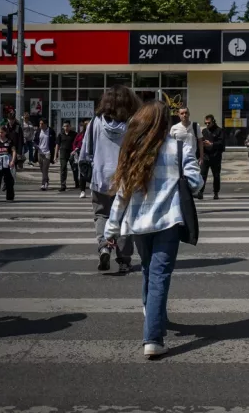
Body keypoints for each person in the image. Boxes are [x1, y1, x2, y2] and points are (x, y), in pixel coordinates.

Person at [105, 101, 203, 359]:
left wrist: (111, 228)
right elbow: (196, 183)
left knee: (149, 269)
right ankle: (153, 338)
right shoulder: (179, 147)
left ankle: (153, 314)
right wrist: (186, 158)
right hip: (168, 222)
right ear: (164, 123)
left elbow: (122, 194)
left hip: (139, 224)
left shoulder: (135, 150)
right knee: (160, 275)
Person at [80, 85, 141, 273]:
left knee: (101, 215)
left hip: (100, 178)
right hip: (124, 179)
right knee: (123, 218)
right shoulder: (133, 123)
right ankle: (123, 259)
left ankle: (105, 247)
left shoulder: (95, 122)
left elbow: (85, 151)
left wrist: (86, 170)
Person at [200, 114, 224, 200]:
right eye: (205, 123)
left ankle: (216, 192)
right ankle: (200, 192)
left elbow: (222, 145)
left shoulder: (219, 131)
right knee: (203, 175)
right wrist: (200, 155)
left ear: (213, 122)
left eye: (209, 123)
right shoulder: (204, 131)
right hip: (206, 156)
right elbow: (200, 143)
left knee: (216, 175)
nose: (207, 125)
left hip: (215, 157)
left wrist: (212, 144)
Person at [0, 126, 17, 204]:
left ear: (5, 133)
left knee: (9, 180)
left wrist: (12, 161)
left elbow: (14, 151)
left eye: (2, 132)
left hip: (7, 162)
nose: (0, 134)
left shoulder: (9, 141)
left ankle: (10, 196)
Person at [54, 122, 79, 192]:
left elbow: (78, 143)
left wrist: (76, 151)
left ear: (70, 126)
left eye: (67, 126)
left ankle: (77, 182)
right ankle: (63, 185)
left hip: (72, 153)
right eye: (64, 126)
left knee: (74, 168)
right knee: (63, 168)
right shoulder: (60, 134)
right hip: (63, 153)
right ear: (63, 127)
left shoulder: (74, 134)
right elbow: (57, 145)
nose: (66, 128)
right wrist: (55, 155)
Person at [33, 118, 56, 191]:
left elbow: (54, 142)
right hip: (40, 152)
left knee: (45, 168)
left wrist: (54, 154)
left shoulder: (51, 131)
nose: (41, 125)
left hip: (47, 152)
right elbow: (35, 140)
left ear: (46, 124)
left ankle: (44, 183)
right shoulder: (38, 131)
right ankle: (46, 179)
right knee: (42, 168)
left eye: (42, 124)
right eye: (40, 124)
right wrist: (35, 145)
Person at [73, 121, 89, 198]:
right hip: (82, 155)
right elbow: (76, 143)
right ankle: (82, 190)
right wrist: (75, 149)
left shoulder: (94, 134)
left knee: (93, 173)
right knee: (82, 173)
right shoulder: (81, 135)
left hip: (92, 156)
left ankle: (93, 190)